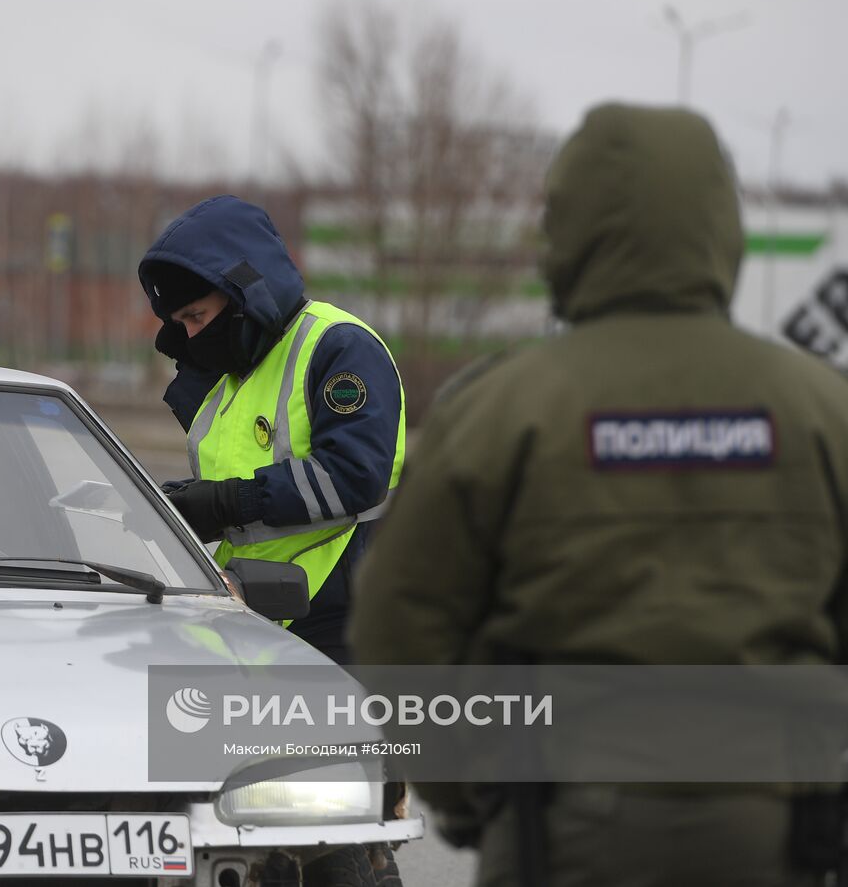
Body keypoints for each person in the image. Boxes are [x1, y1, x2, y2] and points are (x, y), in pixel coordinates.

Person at [347, 103, 848, 885]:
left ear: (569, 233)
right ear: (723, 228)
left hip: (559, 825)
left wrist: (466, 790)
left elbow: (397, 625)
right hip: (774, 826)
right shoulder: (822, 409)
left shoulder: (501, 407)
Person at [139, 194, 406, 666]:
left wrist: (225, 503)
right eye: (181, 323)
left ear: (244, 288)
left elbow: (353, 474)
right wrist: (187, 501)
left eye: (197, 316)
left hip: (343, 614)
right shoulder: (228, 376)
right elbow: (243, 477)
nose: (193, 336)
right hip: (256, 612)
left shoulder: (338, 346)